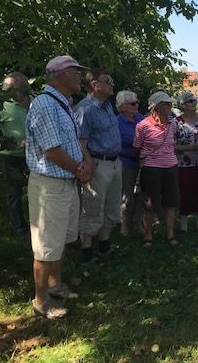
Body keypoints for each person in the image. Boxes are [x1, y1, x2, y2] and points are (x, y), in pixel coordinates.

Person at [26, 55, 92, 319]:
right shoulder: (45, 104)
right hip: (50, 186)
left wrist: (84, 165)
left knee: (62, 239)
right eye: (76, 72)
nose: (80, 78)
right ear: (62, 75)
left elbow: (71, 143)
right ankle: (41, 300)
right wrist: (79, 169)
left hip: (65, 182)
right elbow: (52, 151)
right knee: (46, 245)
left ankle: (55, 285)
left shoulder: (63, 103)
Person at [75, 69, 122, 263]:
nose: (112, 84)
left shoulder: (107, 105)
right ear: (95, 85)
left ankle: (104, 245)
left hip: (114, 162)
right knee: (93, 206)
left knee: (112, 206)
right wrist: (89, 163)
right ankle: (86, 250)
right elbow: (80, 141)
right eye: (108, 81)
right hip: (97, 163)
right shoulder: (85, 109)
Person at [133, 91, 180, 247]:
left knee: (171, 202)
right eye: (167, 104)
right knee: (149, 203)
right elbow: (137, 148)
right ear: (157, 107)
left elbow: (174, 142)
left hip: (170, 166)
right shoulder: (142, 126)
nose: (170, 106)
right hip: (151, 168)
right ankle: (148, 236)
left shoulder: (173, 124)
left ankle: (170, 235)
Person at [174, 91, 198, 232]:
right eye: (190, 101)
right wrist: (190, 147)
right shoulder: (176, 122)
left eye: (194, 100)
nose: (194, 103)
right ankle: (183, 224)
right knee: (185, 191)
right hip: (184, 163)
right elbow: (171, 145)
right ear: (183, 105)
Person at [0, 72, 31, 235]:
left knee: (38, 190)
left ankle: (39, 222)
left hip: (35, 155)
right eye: (23, 85)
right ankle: (19, 227)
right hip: (11, 156)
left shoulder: (35, 100)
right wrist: (14, 143)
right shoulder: (3, 106)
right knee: (14, 193)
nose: (27, 87)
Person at [116, 90, 145, 236]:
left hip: (143, 162)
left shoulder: (141, 119)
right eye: (132, 103)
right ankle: (124, 225)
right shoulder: (117, 122)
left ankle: (137, 223)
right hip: (125, 162)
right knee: (126, 196)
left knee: (142, 194)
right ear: (122, 107)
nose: (136, 105)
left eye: (137, 102)